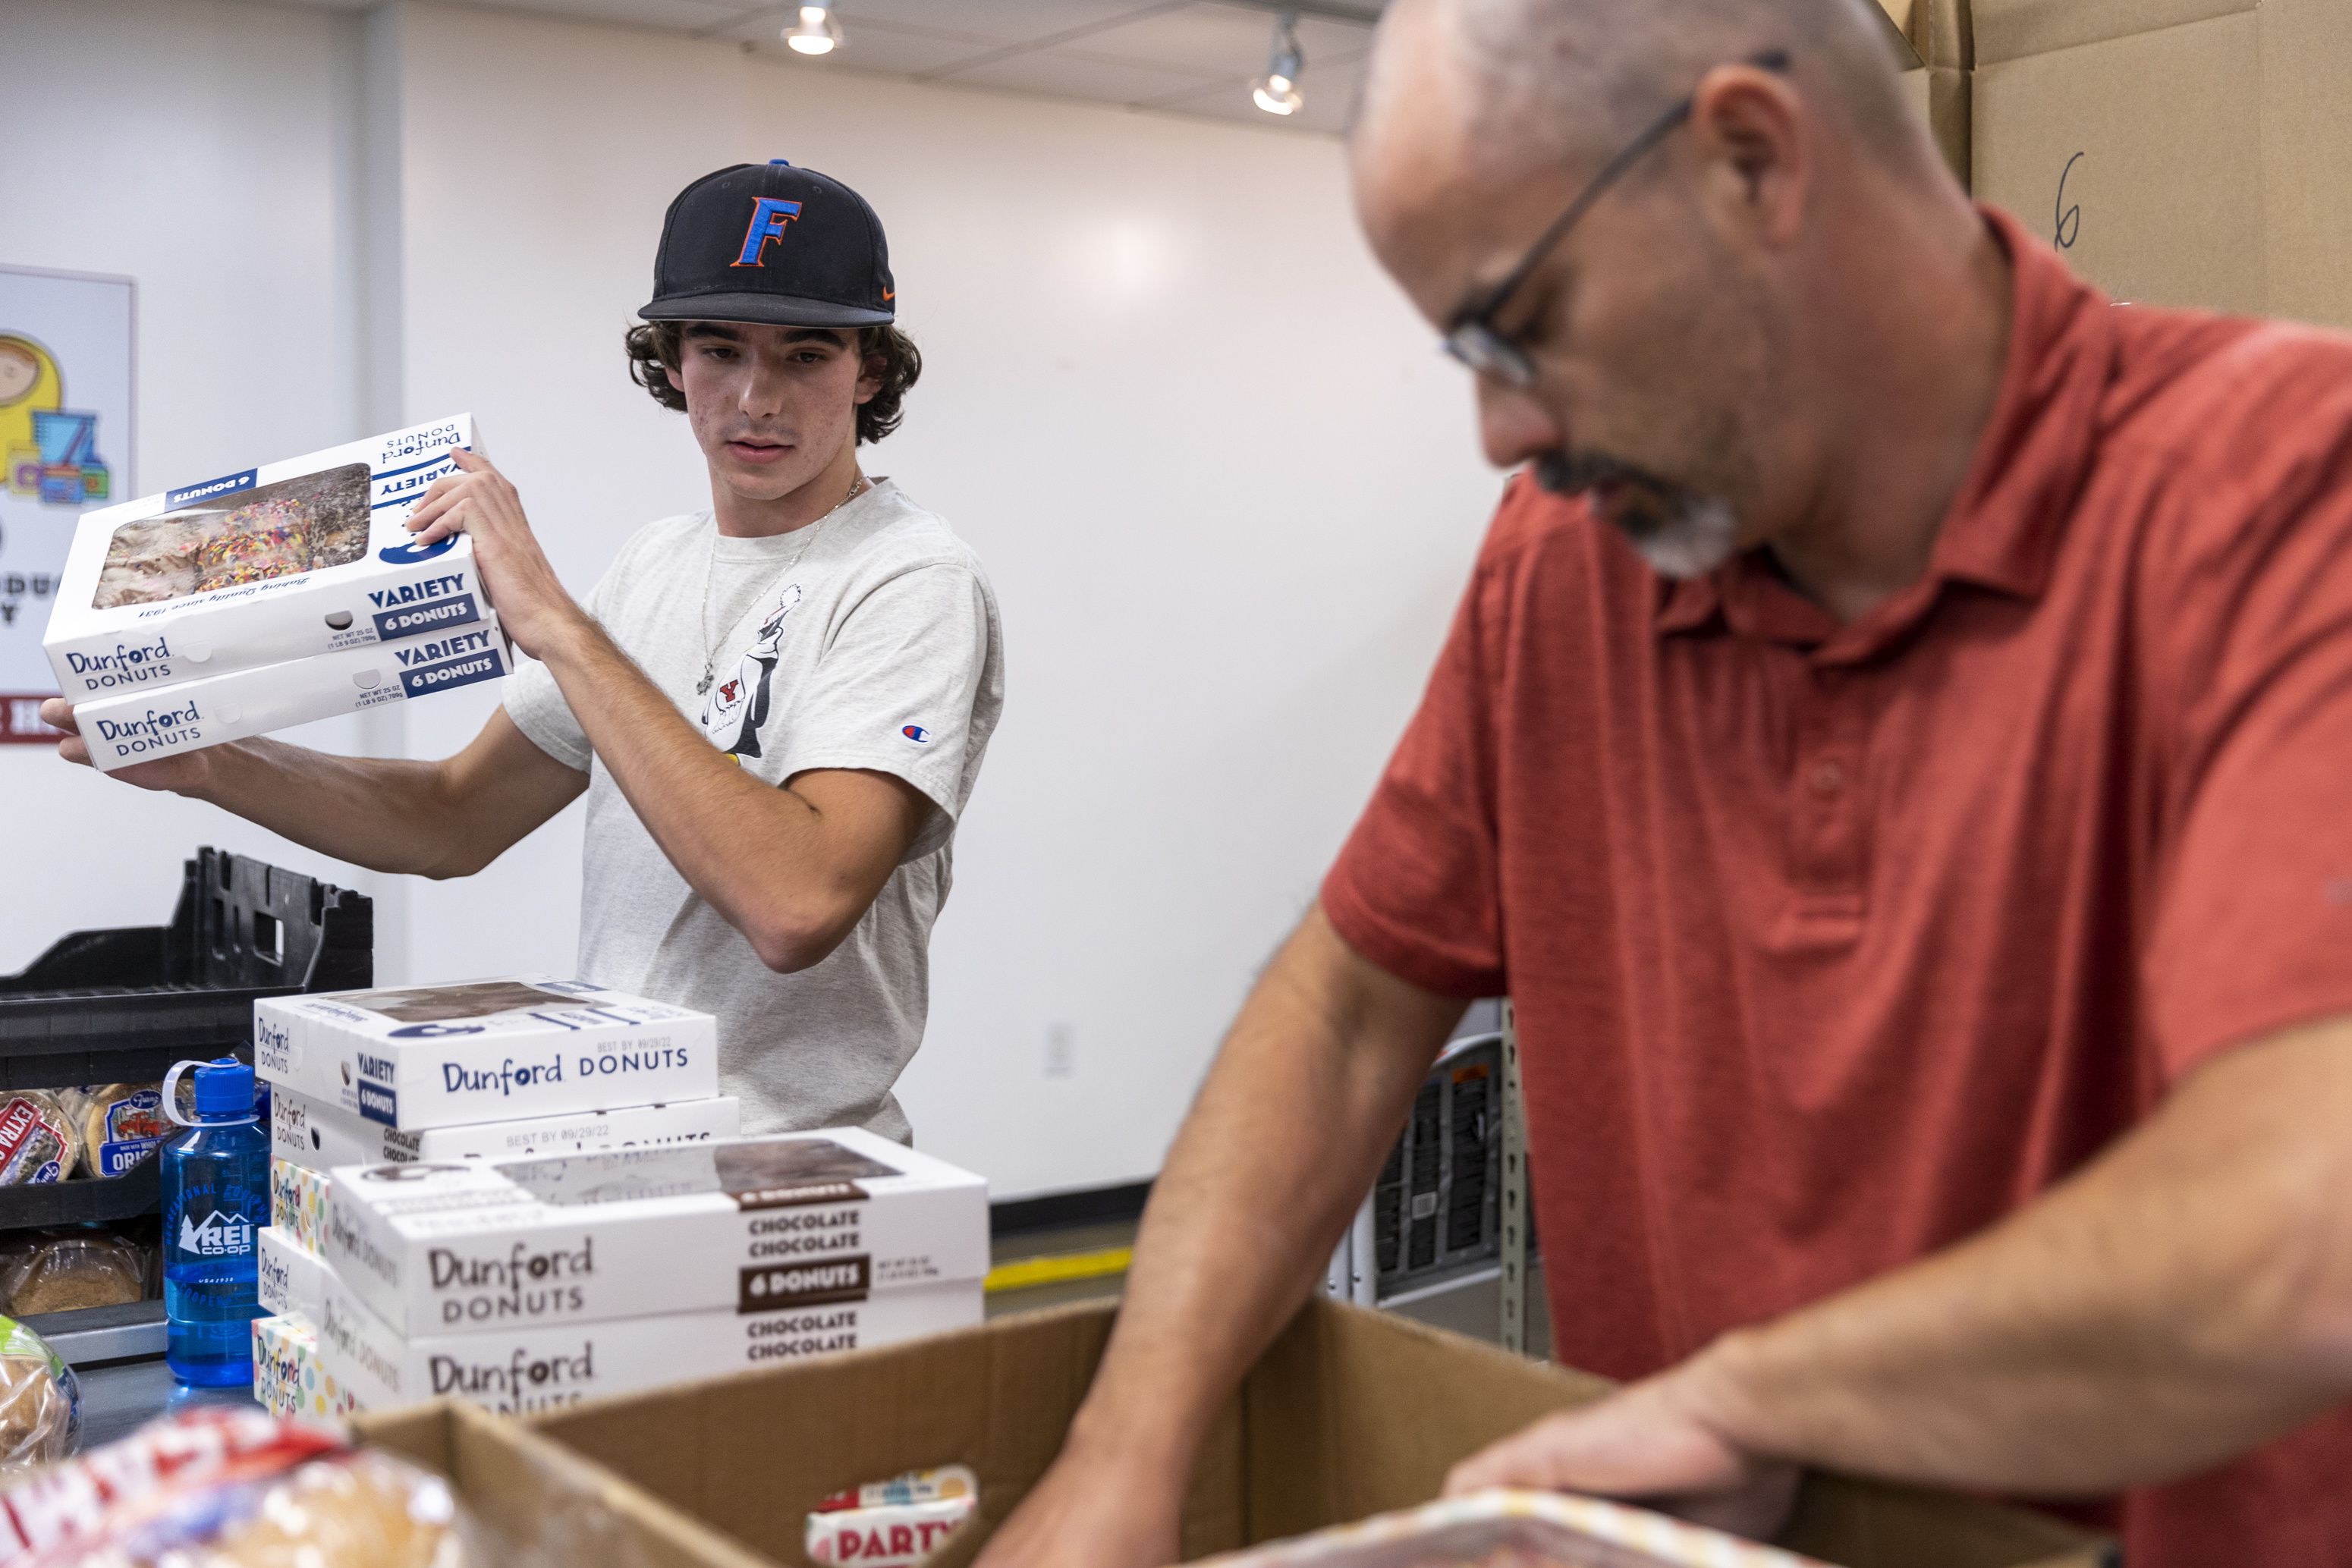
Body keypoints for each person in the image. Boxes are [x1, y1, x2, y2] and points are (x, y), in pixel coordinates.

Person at [973, 2, 2352, 1564]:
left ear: (1750, 161)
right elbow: (1350, 1010)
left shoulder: (2286, 494)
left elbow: (2298, 1230)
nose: (1502, 430)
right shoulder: (1562, 575)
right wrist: (1125, 1449)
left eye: (1521, 321)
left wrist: (1750, 1397)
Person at [44, 162, 1004, 1141]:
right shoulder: (653, 566)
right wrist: (214, 762)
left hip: (798, 1173)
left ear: (870, 370)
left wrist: (552, 618)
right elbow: (453, 819)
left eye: (807, 355)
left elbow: (796, 905)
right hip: (615, 1133)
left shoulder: (909, 578)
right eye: (721, 349)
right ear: (671, 363)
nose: (757, 397)